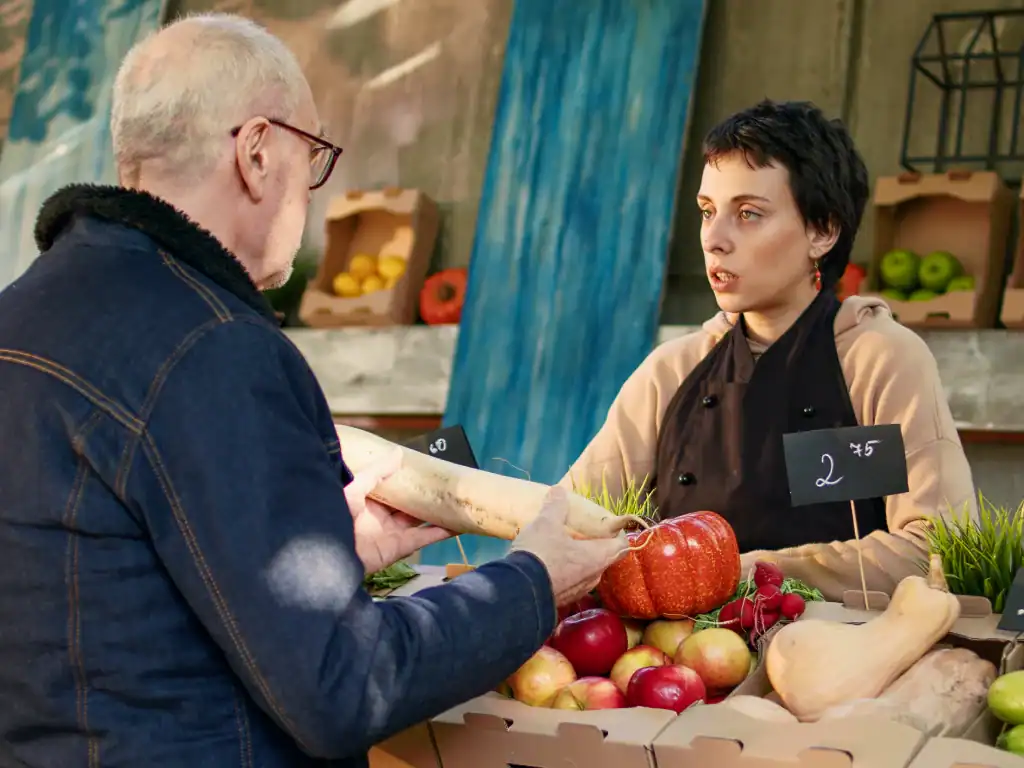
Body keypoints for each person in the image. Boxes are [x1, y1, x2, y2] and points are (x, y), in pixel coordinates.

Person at [0, 13, 627, 768]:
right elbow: (341, 685)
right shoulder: (215, 349)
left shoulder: (25, 313)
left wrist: (334, 555)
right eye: (315, 155)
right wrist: (534, 581)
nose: (316, 191)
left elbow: (102, 589)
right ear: (257, 152)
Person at [561, 99, 976, 601]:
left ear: (822, 231)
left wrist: (741, 572)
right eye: (707, 212)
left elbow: (935, 549)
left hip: (838, 660)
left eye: (749, 214)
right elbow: (572, 521)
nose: (714, 240)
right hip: (678, 664)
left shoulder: (880, 358)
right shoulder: (672, 369)